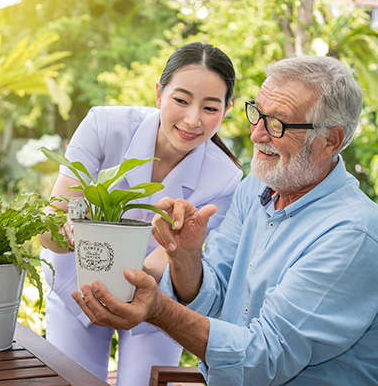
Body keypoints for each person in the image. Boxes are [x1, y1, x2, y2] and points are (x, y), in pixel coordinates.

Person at [71, 55, 378, 386]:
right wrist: (185, 255)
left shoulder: (353, 234)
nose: (257, 134)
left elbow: (260, 362)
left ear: (329, 141)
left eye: (278, 124)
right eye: (257, 114)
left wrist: (158, 309)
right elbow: (212, 296)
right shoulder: (257, 189)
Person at [38, 41, 243, 384]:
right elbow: (49, 231)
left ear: (226, 110)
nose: (193, 120)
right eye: (181, 100)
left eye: (210, 108)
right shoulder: (105, 126)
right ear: (159, 94)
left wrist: (139, 287)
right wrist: (71, 230)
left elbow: (165, 262)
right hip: (75, 287)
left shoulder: (225, 179)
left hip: (152, 301)